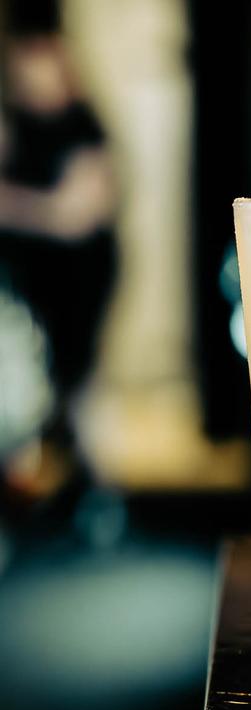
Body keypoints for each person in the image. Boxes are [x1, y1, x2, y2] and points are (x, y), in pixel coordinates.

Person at [0, 0, 116, 457]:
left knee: (77, 390)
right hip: (26, 282)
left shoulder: (83, 124)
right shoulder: (13, 123)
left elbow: (77, 217)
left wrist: (19, 206)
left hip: (78, 278)